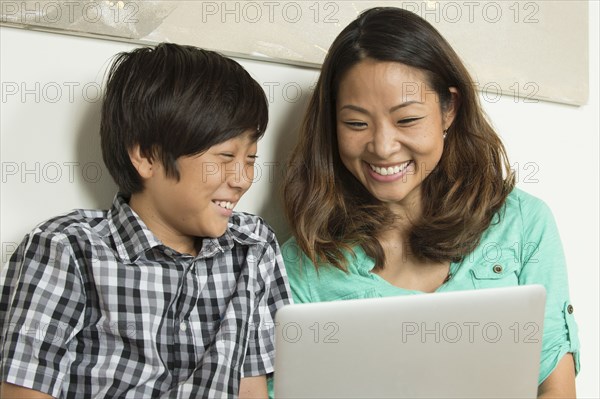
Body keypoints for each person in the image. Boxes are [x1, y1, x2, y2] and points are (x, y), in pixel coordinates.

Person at [281, 7, 579, 398]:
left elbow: (556, 388)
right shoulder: (301, 262)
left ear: (449, 109)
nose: (383, 147)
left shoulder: (524, 223)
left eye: (406, 120)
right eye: (356, 124)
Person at [1, 43, 292, 398]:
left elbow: (251, 389)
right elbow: (25, 390)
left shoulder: (253, 247)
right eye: (226, 156)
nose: (242, 178)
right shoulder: (68, 250)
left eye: (250, 158)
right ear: (146, 156)